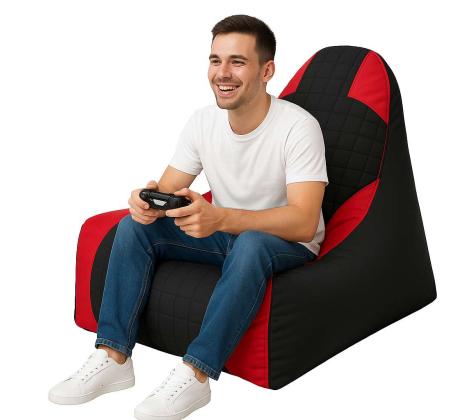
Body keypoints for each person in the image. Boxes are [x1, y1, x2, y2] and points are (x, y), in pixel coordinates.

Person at [49, 14, 329, 420]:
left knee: (251, 244)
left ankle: (196, 374)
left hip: (286, 243)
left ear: (267, 71)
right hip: (226, 232)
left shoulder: (299, 127)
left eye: (237, 62)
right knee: (135, 227)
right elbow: (167, 189)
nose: (222, 73)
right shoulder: (203, 121)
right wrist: (145, 203)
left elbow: (303, 221)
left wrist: (221, 219)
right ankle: (113, 356)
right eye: (215, 60)